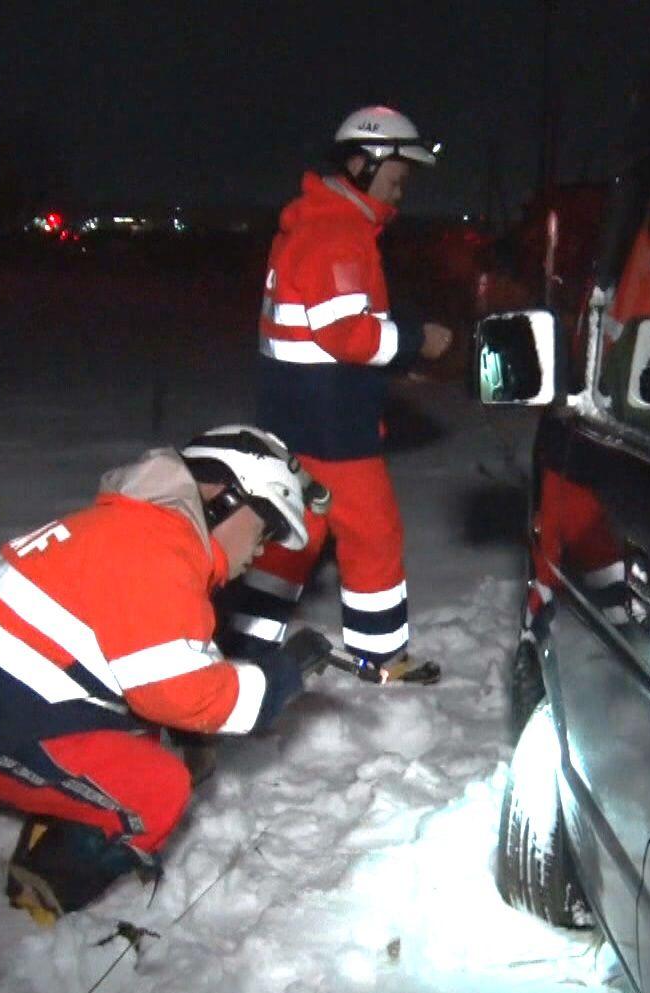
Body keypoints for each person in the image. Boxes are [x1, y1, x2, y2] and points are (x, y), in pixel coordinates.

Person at [0, 425, 337, 923]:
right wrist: (278, 678)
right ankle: (41, 902)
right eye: (264, 529)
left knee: (143, 737)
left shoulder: (136, 527)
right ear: (224, 498)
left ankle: (68, 812)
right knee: (157, 790)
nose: (260, 551)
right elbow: (182, 695)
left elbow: (158, 662)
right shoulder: (158, 555)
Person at [222, 105, 453, 682]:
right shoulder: (338, 232)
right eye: (396, 179)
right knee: (373, 535)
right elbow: (348, 333)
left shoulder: (320, 223)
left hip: (296, 418)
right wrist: (416, 341)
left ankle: (245, 651)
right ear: (361, 165)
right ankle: (382, 656)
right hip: (333, 428)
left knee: (289, 540)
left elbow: (340, 316)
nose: (401, 194)